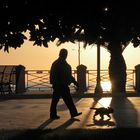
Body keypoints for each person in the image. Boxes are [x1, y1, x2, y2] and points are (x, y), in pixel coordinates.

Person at [49, 48, 82, 119]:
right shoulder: (57, 63)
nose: (65, 55)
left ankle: (73, 113)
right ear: (61, 54)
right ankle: (53, 115)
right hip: (59, 85)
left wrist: (74, 82)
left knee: (67, 99)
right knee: (57, 100)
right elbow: (54, 74)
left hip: (63, 85)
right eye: (64, 54)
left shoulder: (64, 64)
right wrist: (55, 83)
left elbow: (68, 75)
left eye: (66, 54)